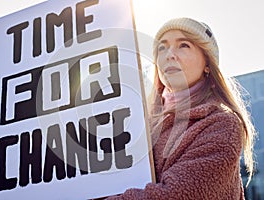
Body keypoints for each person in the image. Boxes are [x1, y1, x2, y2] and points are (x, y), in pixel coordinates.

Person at [107, 17, 256, 199]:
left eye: (183, 45)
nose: (169, 54)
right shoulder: (138, 123)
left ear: (207, 64)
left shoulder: (221, 123)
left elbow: (176, 195)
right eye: (162, 48)